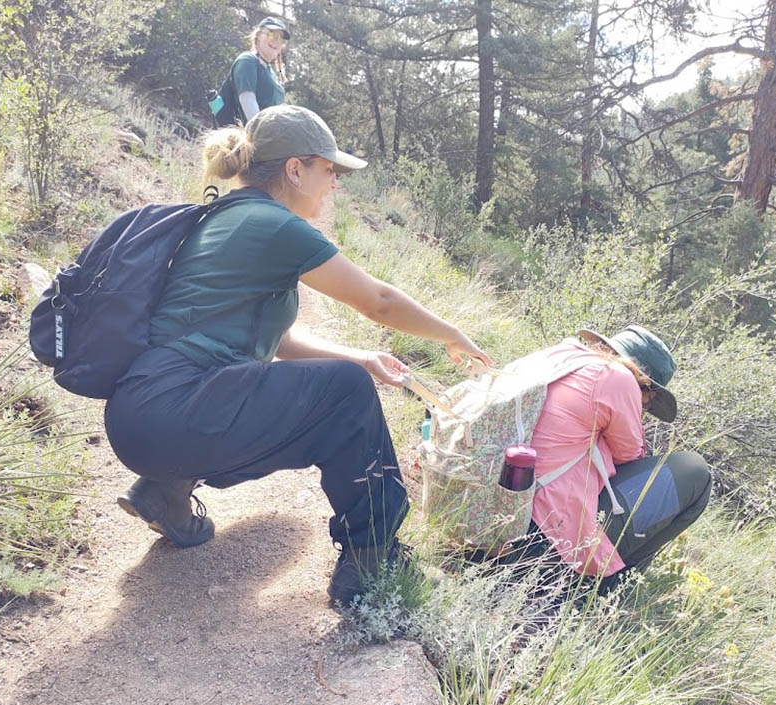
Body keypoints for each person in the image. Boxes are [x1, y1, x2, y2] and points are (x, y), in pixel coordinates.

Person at [104, 104, 491, 607]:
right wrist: (451, 333)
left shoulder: (224, 216)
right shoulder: (275, 225)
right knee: (346, 396)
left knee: (325, 377)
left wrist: (361, 356)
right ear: (294, 169)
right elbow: (379, 301)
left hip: (140, 419)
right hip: (179, 412)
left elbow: (274, 341)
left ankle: (163, 493)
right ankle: (373, 560)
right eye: (329, 171)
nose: (334, 184)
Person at [508, 325, 711, 595]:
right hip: (538, 529)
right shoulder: (618, 379)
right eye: (648, 404)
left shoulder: (562, 355)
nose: (644, 410)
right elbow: (630, 458)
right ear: (646, 386)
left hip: (496, 502)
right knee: (695, 472)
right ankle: (597, 591)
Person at [221, 16, 289, 125]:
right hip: (247, 136)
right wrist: (263, 135)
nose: (276, 41)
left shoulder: (270, 72)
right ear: (258, 36)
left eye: (280, 39)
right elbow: (248, 102)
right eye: (271, 34)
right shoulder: (247, 61)